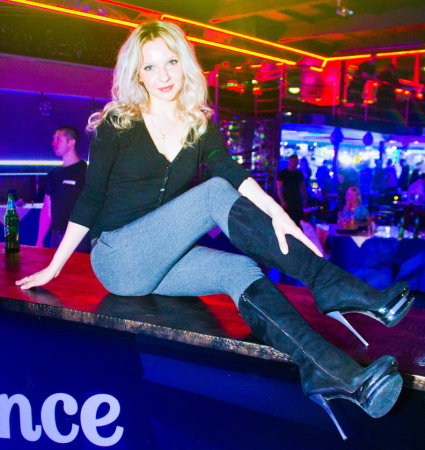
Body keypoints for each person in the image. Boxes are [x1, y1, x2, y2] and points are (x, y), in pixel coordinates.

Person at [16, 21, 414, 440]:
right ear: (137, 74)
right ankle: (331, 284)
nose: (163, 75)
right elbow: (92, 198)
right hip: (117, 257)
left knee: (240, 269)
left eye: (171, 62)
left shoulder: (198, 124)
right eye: (150, 67)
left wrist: (280, 215)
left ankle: (329, 371)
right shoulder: (118, 123)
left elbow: (232, 171)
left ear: (185, 64)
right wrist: (55, 266)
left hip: (161, 258)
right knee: (212, 194)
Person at [36, 126, 91, 253]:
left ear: (71, 142)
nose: (53, 143)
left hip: (79, 237)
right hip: (56, 236)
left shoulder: (86, 172)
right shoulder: (53, 173)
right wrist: (40, 239)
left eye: (58, 139)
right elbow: (47, 208)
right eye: (53, 139)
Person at [276, 154, 307, 227]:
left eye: (296, 162)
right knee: (286, 219)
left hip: (296, 199)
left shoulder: (299, 174)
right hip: (287, 198)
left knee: (297, 220)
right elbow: (279, 188)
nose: (295, 163)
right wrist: (282, 201)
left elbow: (302, 187)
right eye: (294, 161)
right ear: (289, 161)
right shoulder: (282, 173)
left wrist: (304, 199)